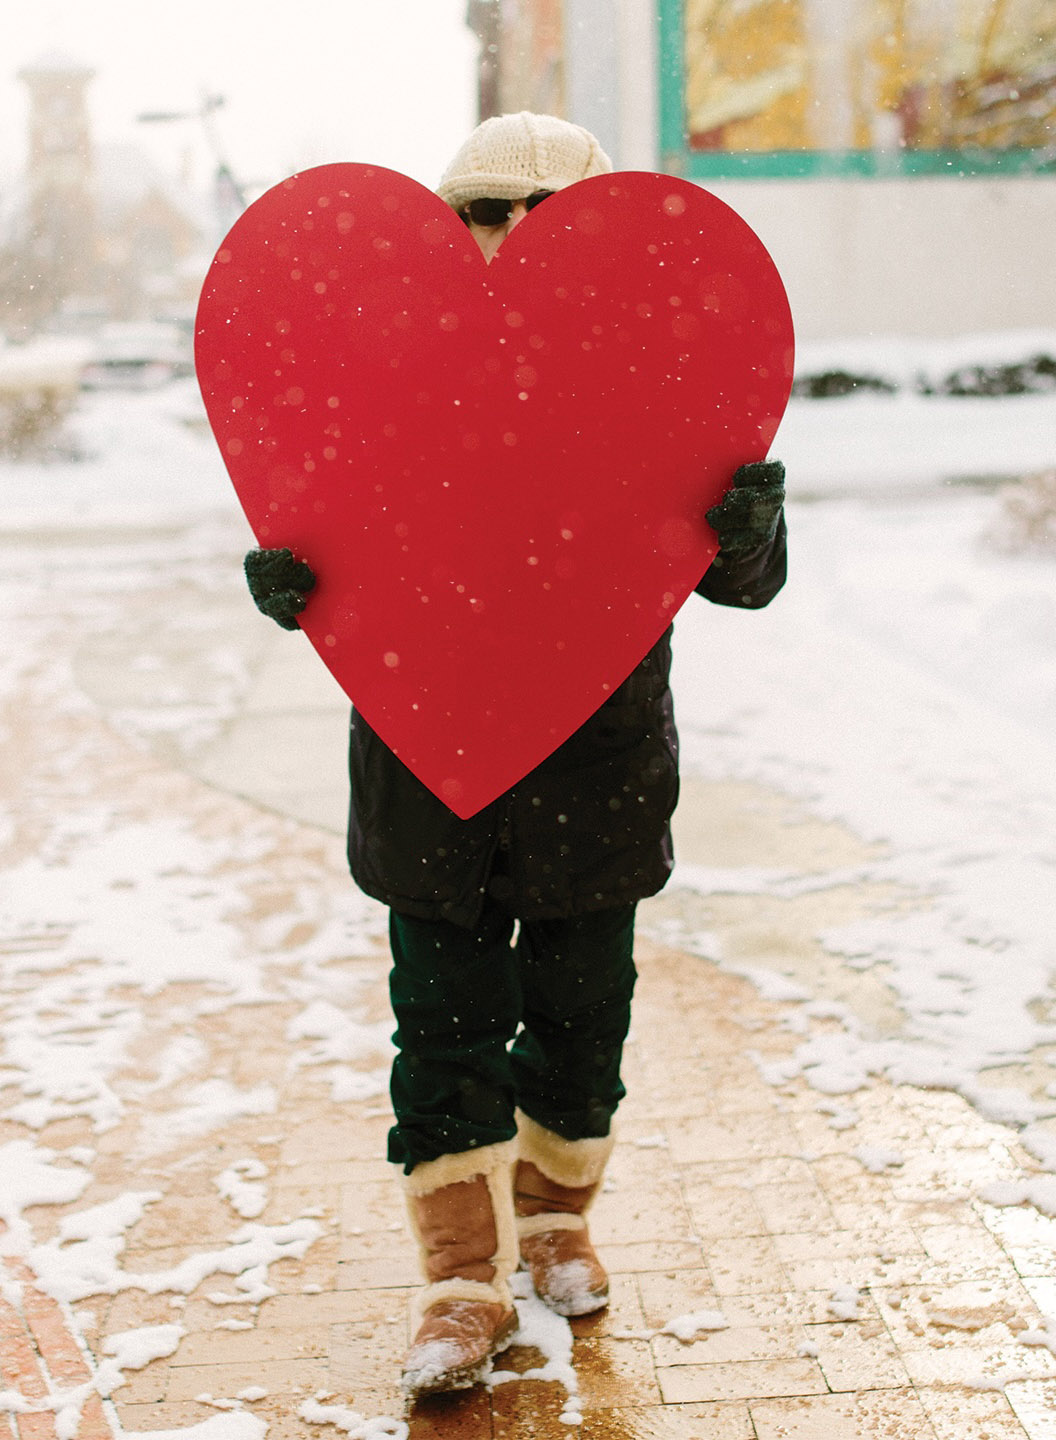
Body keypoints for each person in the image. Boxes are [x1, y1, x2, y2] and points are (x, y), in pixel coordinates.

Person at [242, 112, 787, 1399]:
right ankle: (459, 1284)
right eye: (485, 213)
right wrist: (295, 578)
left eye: (537, 214)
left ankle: (555, 1223)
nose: (509, 239)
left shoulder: (659, 377)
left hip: (595, 782)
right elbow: (328, 524)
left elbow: (741, 585)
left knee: (585, 1025)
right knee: (441, 1032)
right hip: (427, 779)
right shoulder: (386, 372)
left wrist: (750, 530)